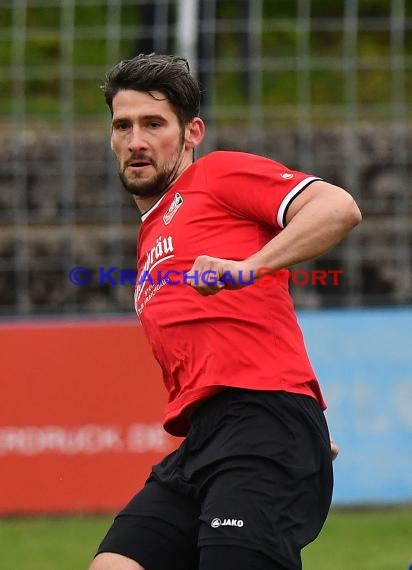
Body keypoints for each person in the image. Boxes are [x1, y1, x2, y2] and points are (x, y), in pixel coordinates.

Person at [89, 54, 360, 570]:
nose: (136, 141)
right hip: (214, 437)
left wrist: (249, 267)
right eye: (122, 126)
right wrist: (300, 435)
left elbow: (338, 207)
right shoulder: (151, 236)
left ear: (192, 132)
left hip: (260, 427)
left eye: (153, 124)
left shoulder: (217, 174)